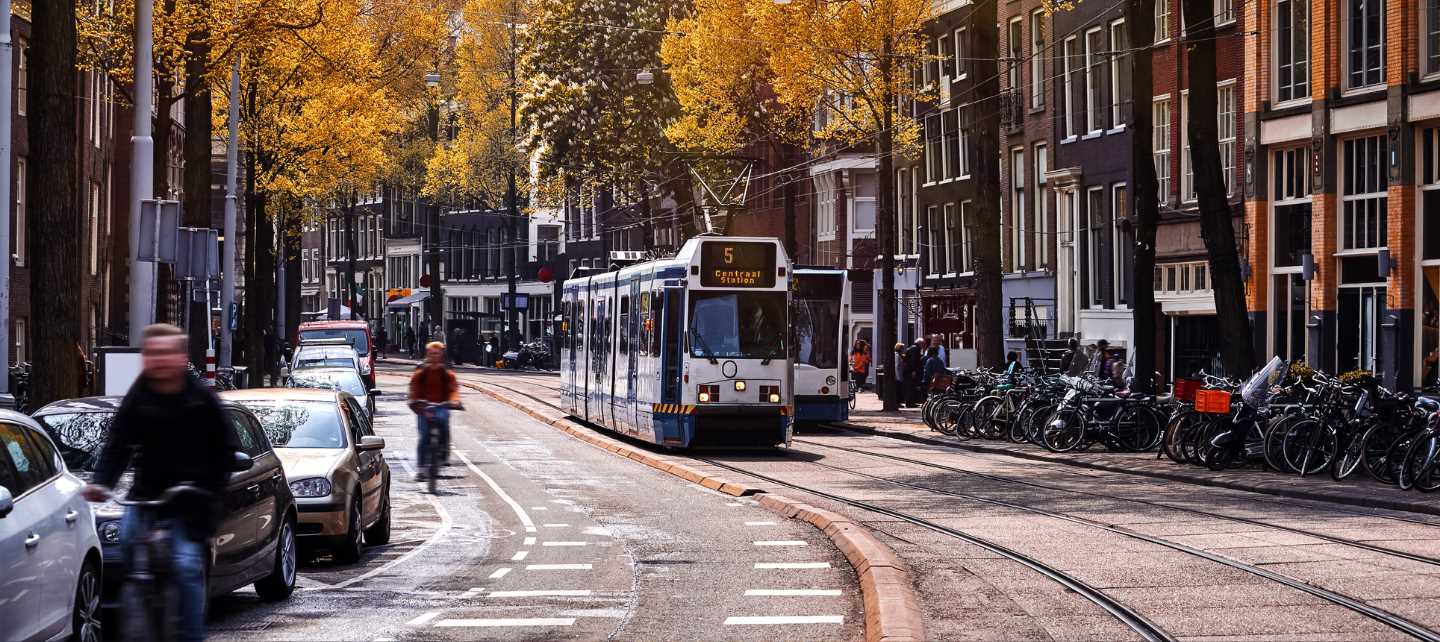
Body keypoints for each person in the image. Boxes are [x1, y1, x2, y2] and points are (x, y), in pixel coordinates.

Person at [83, 324, 239, 642]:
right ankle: (140, 606)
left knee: (184, 566)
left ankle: (191, 635)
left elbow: (224, 451)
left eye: (166, 353)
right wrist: (101, 483)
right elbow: (119, 442)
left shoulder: (201, 400)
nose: (159, 360)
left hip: (191, 500)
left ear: (181, 358)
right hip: (147, 494)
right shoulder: (140, 394)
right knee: (126, 541)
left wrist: (208, 489)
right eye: (153, 354)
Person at [409, 341, 460, 481]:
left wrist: (454, 401)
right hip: (424, 407)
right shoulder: (421, 371)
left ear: (441, 355)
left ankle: (443, 452)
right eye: (432, 354)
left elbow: (453, 388)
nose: (434, 356)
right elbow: (414, 389)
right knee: (424, 436)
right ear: (428, 354)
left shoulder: (446, 372)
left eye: (437, 354)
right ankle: (420, 468)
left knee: (444, 423)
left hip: (441, 405)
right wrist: (416, 402)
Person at [905, 338, 926, 406]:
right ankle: (910, 403)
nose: (923, 346)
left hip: (908, 371)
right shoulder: (916, 349)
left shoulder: (912, 348)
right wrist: (913, 370)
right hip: (911, 371)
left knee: (910, 387)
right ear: (920, 343)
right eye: (923, 344)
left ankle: (910, 402)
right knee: (911, 386)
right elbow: (913, 360)